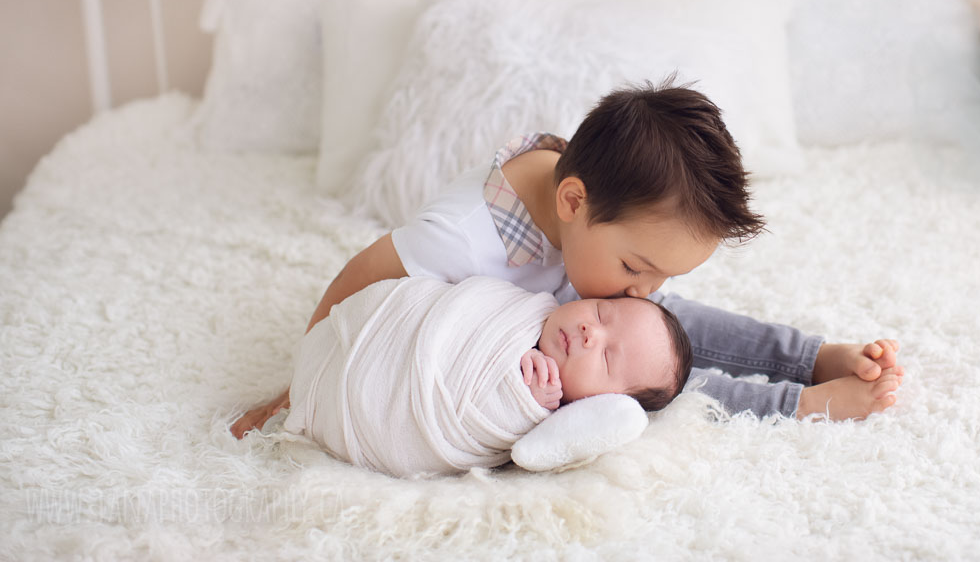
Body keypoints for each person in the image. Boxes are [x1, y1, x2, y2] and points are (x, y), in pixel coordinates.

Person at [232, 79, 902, 439]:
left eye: (661, 273)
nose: (647, 288)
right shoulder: (460, 238)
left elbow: (652, 296)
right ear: (573, 202)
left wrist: (640, 283)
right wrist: (302, 382)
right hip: (509, 347)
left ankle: (806, 357)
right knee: (642, 385)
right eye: (639, 267)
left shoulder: (592, 207)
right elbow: (360, 277)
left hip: (564, 309)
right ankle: (800, 407)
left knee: (664, 329)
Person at [282, 275, 691, 478]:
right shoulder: (526, 305)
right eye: (602, 313)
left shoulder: (542, 406)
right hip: (377, 326)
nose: (590, 333)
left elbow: (493, 437)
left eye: (605, 357)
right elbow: (456, 300)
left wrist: (523, 404)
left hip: (376, 408)